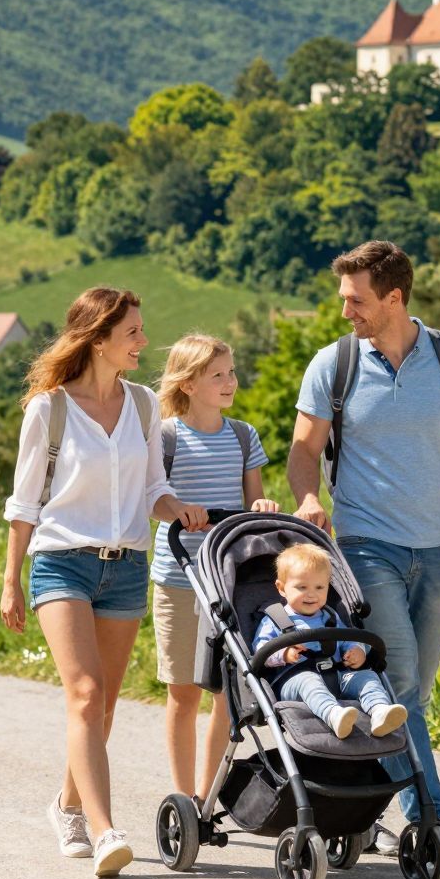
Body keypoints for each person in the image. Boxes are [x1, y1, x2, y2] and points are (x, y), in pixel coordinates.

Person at [287, 240, 440, 858]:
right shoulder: (333, 364)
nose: (345, 311)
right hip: (364, 544)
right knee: (402, 680)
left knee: (409, 692)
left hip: (439, 545)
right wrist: (309, 500)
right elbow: (304, 451)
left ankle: (364, 809)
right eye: (343, 299)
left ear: (394, 298)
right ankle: (430, 818)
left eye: (356, 300)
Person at [1, 286, 209, 879]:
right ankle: (104, 830)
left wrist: (178, 508)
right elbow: (24, 502)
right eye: (133, 333)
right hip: (62, 560)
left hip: (125, 568)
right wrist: (10, 580)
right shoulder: (50, 409)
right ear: (98, 338)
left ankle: (67, 806)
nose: (145, 341)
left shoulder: (144, 406)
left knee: (104, 707)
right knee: (87, 695)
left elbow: (151, 489)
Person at [150, 333, 278, 800]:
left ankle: (207, 796)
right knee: (183, 693)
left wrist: (261, 504)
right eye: (217, 375)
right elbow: (153, 500)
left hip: (228, 578)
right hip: (179, 579)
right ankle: (184, 798)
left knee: (226, 694)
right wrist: (178, 508)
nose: (230, 382)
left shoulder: (243, 435)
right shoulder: (165, 436)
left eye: (231, 373)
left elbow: (252, 500)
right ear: (187, 384)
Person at [252, 544, 407, 739]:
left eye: (319, 587)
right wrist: (283, 653)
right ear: (281, 588)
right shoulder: (275, 619)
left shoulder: (330, 617)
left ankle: (380, 710)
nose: (311, 594)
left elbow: (346, 639)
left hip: (335, 674)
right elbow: (260, 650)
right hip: (293, 681)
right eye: (302, 587)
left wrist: (356, 650)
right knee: (309, 681)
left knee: (366, 676)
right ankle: (333, 715)